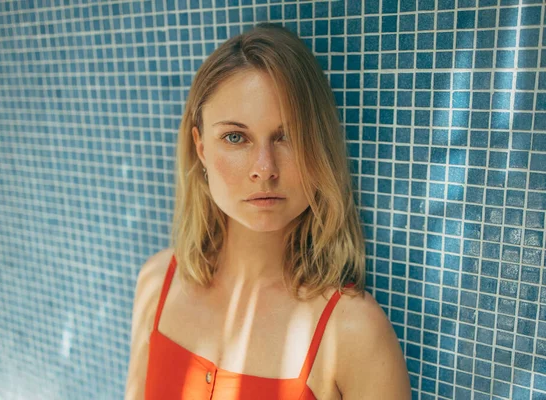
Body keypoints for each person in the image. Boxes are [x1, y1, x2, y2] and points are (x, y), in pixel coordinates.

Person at [125, 22, 411, 399]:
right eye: (235, 137)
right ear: (200, 147)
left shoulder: (353, 332)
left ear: (318, 146)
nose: (264, 167)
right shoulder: (157, 282)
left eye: (287, 136)